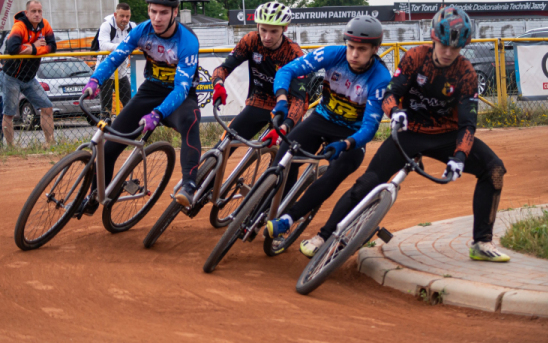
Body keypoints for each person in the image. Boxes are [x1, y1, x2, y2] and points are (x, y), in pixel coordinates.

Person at [302, 8, 510, 262]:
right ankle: (323, 236)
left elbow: (468, 123)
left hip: (446, 136)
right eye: (443, 44)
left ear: (463, 47)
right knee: (368, 183)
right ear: (434, 38)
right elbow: (391, 93)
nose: (447, 52)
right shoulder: (415, 56)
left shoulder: (466, 73)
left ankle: (482, 242)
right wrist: (395, 112)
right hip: (408, 132)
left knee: (494, 169)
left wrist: (459, 155)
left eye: (455, 48)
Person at [265, 16, 391, 251]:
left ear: (375, 50)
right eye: (351, 47)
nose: (353, 54)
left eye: (362, 50)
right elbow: (287, 70)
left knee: (334, 174)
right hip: (321, 119)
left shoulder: (381, 79)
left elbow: (370, 128)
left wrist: (345, 144)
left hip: (352, 135)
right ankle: (272, 204)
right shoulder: (333, 54)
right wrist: (282, 99)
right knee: (285, 157)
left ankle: (288, 220)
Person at [78, 0, 201, 215]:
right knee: (110, 143)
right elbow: (115, 58)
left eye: (163, 13)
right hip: (150, 90)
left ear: (175, 12)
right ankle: (95, 195)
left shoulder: (187, 40)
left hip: (180, 96)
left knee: (190, 123)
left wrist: (158, 113)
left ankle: (189, 187)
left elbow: (181, 90)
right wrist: (95, 80)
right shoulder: (142, 31)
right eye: (153, 12)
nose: (157, 18)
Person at [211, 1, 306, 152]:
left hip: (286, 106)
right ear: (257, 26)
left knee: (287, 155)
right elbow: (223, 68)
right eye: (263, 30)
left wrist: (284, 127)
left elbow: (299, 101)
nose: (267, 37)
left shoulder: (294, 54)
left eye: (274, 31)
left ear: (284, 28)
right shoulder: (251, 40)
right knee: (225, 144)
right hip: (259, 101)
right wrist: (218, 84)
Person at [2, 0, 56, 147]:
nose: (37, 14)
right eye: (33, 11)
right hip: (11, 77)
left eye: (39, 11)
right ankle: (11, 147)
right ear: (27, 13)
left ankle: (50, 143)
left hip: (30, 78)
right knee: (9, 114)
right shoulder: (19, 26)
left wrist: (31, 50)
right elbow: (12, 48)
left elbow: (52, 46)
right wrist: (34, 46)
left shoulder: (45, 25)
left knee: (47, 107)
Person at [96, 3, 136, 120]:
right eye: (122, 16)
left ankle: (129, 132)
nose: (125, 19)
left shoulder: (132, 27)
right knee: (106, 110)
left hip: (122, 73)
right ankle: (104, 135)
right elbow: (103, 45)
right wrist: (125, 47)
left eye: (127, 16)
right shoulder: (106, 25)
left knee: (130, 105)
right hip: (106, 73)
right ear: (115, 15)